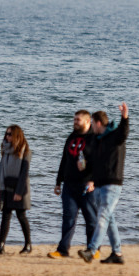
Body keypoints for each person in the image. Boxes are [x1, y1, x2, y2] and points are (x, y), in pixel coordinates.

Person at [79, 103, 130, 265]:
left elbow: (124, 133)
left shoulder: (114, 136)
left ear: (98, 123)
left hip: (112, 183)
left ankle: (92, 250)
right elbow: (93, 161)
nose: (91, 127)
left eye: (92, 123)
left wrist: (125, 117)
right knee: (109, 219)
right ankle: (117, 253)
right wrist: (88, 174)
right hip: (100, 184)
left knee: (103, 216)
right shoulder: (97, 140)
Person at [48, 110, 97, 259]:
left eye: (78, 120)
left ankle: (93, 249)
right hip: (69, 185)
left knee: (91, 219)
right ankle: (63, 250)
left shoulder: (94, 139)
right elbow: (64, 159)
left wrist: (93, 180)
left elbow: (100, 163)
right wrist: (58, 181)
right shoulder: (71, 136)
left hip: (86, 186)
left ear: (88, 122)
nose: (75, 122)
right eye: (74, 119)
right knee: (68, 218)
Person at [0, 125, 32, 255]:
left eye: (10, 134)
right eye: (6, 134)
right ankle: (1, 245)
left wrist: (19, 192)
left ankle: (28, 244)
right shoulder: (6, 150)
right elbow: (1, 168)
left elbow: (24, 173)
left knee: (21, 216)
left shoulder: (25, 151)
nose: (7, 137)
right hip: (6, 186)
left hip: (20, 188)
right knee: (5, 216)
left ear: (17, 136)